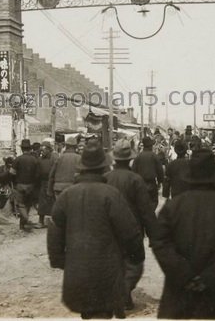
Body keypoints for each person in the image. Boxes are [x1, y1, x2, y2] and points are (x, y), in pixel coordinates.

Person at [47, 141, 145, 319]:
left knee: (87, 312)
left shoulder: (66, 196)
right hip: (106, 272)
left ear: (81, 169)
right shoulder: (111, 195)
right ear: (104, 168)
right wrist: (136, 257)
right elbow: (130, 233)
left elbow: (54, 232)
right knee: (102, 312)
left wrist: (61, 261)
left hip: (76, 271)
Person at [151, 148, 215, 319]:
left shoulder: (172, 206)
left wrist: (184, 275)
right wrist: (211, 278)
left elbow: (160, 243)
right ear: (214, 175)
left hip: (177, 292)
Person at [104, 139, 158, 311]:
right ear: (130, 159)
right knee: (132, 263)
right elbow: (146, 211)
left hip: (110, 227)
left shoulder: (104, 178)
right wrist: (154, 234)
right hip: (132, 229)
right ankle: (124, 295)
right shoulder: (136, 180)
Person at [12, 139, 41, 231]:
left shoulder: (18, 159)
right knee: (27, 205)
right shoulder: (35, 160)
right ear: (30, 148)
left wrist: (15, 182)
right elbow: (38, 175)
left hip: (20, 185)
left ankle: (24, 222)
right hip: (31, 185)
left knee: (21, 205)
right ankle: (23, 223)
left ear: (21, 148)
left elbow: (12, 173)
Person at [132, 136, 164, 210]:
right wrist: (160, 182)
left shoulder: (138, 157)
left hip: (140, 184)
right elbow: (160, 170)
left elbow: (133, 171)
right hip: (151, 183)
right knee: (153, 202)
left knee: (142, 203)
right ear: (151, 146)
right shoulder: (154, 156)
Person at [37, 140, 57, 227]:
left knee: (53, 202)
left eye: (44, 149)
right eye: (41, 150)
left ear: (49, 149)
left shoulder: (54, 158)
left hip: (52, 183)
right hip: (43, 182)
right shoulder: (40, 159)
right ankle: (41, 221)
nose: (42, 151)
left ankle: (53, 221)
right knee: (42, 203)